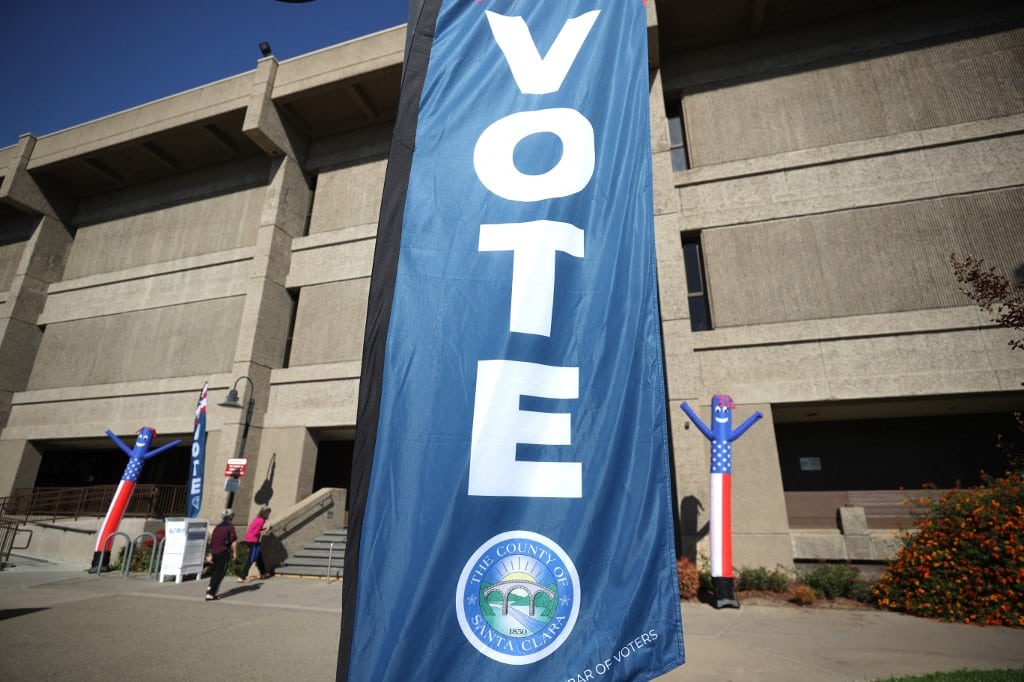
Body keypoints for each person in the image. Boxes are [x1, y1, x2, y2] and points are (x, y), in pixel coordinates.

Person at [206, 509, 237, 601]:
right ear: (231, 517)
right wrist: (235, 552)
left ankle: (210, 586)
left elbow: (211, 540)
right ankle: (211, 593)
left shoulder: (217, 527)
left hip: (215, 552)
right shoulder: (230, 527)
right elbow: (233, 540)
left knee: (215, 571)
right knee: (220, 573)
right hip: (223, 551)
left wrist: (210, 553)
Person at [238, 506, 272, 582]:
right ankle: (242, 576)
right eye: (268, 513)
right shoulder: (262, 520)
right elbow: (257, 532)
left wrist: (263, 529)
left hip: (248, 539)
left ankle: (264, 573)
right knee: (251, 558)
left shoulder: (257, 519)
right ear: (265, 513)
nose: (268, 515)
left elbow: (256, 529)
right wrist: (266, 530)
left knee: (259, 556)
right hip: (253, 541)